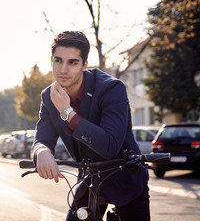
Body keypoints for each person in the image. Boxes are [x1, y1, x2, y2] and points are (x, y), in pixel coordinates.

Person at [31, 31, 150, 221]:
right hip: (90, 179)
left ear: (84, 65)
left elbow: (109, 145)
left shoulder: (112, 89)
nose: (63, 69)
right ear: (51, 61)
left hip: (126, 177)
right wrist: (41, 151)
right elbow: (42, 138)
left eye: (73, 62)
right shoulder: (48, 96)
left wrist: (68, 112)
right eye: (58, 60)